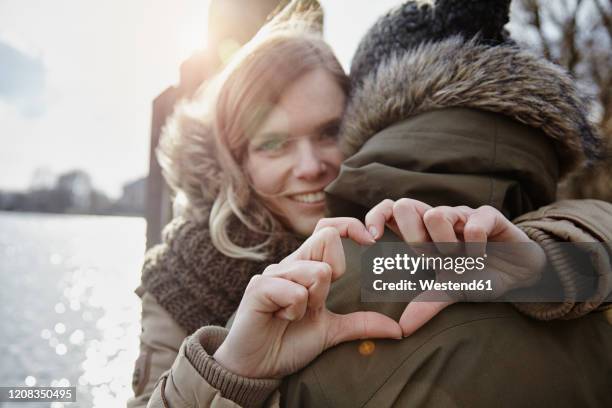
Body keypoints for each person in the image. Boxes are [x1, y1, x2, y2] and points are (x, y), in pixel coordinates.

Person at [130, 1, 612, 407]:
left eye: (328, 132)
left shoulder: (399, 220)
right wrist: (231, 368)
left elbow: (580, 221)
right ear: (238, 162)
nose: (310, 166)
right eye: (273, 144)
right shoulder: (184, 277)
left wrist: (546, 265)